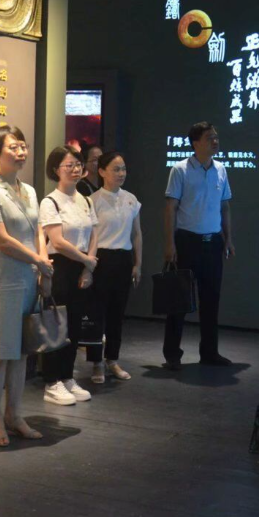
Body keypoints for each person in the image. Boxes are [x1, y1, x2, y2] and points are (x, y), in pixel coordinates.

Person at [0, 125, 52, 446]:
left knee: (21, 352)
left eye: (23, 146)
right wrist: (38, 260)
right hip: (4, 279)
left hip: (29, 278)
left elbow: (38, 231)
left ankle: (15, 414)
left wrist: (43, 264)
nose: (21, 152)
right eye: (13, 147)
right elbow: (1, 240)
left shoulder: (29, 190)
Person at [162, 122, 235, 369]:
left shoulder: (221, 169)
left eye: (216, 137)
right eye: (209, 138)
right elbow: (170, 208)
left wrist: (228, 238)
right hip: (187, 241)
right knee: (178, 300)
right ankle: (172, 354)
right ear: (196, 143)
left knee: (211, 299)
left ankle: (210, 352)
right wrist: (170, 243)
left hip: (213, 243)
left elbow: (225, 207)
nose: (215, 141)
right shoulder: (180, 169)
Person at [38, 146, 99, 405]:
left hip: (82, 266)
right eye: (69, 165)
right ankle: (52, 382)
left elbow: (94, 234)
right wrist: (87, 261)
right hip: (60, 267)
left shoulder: (86, 200)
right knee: (57, 325)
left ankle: (67, 376)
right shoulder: (50, 201)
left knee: (74, 325)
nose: (75, 169)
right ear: (56, 170)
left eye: (78, 164)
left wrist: (88, 267)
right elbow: (57, 241)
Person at [88, 152, 143, 383]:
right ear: (102, 171)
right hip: (101, 259)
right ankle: (96, 363)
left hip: (124, 259)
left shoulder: (131, 199)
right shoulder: (92, 200)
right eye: (116, 169)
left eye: (123, 169)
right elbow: (89, 236)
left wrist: (138, 263)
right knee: (97, 313)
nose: (121, 173)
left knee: (117, 313)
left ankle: (112, 360)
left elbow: (137, 234)